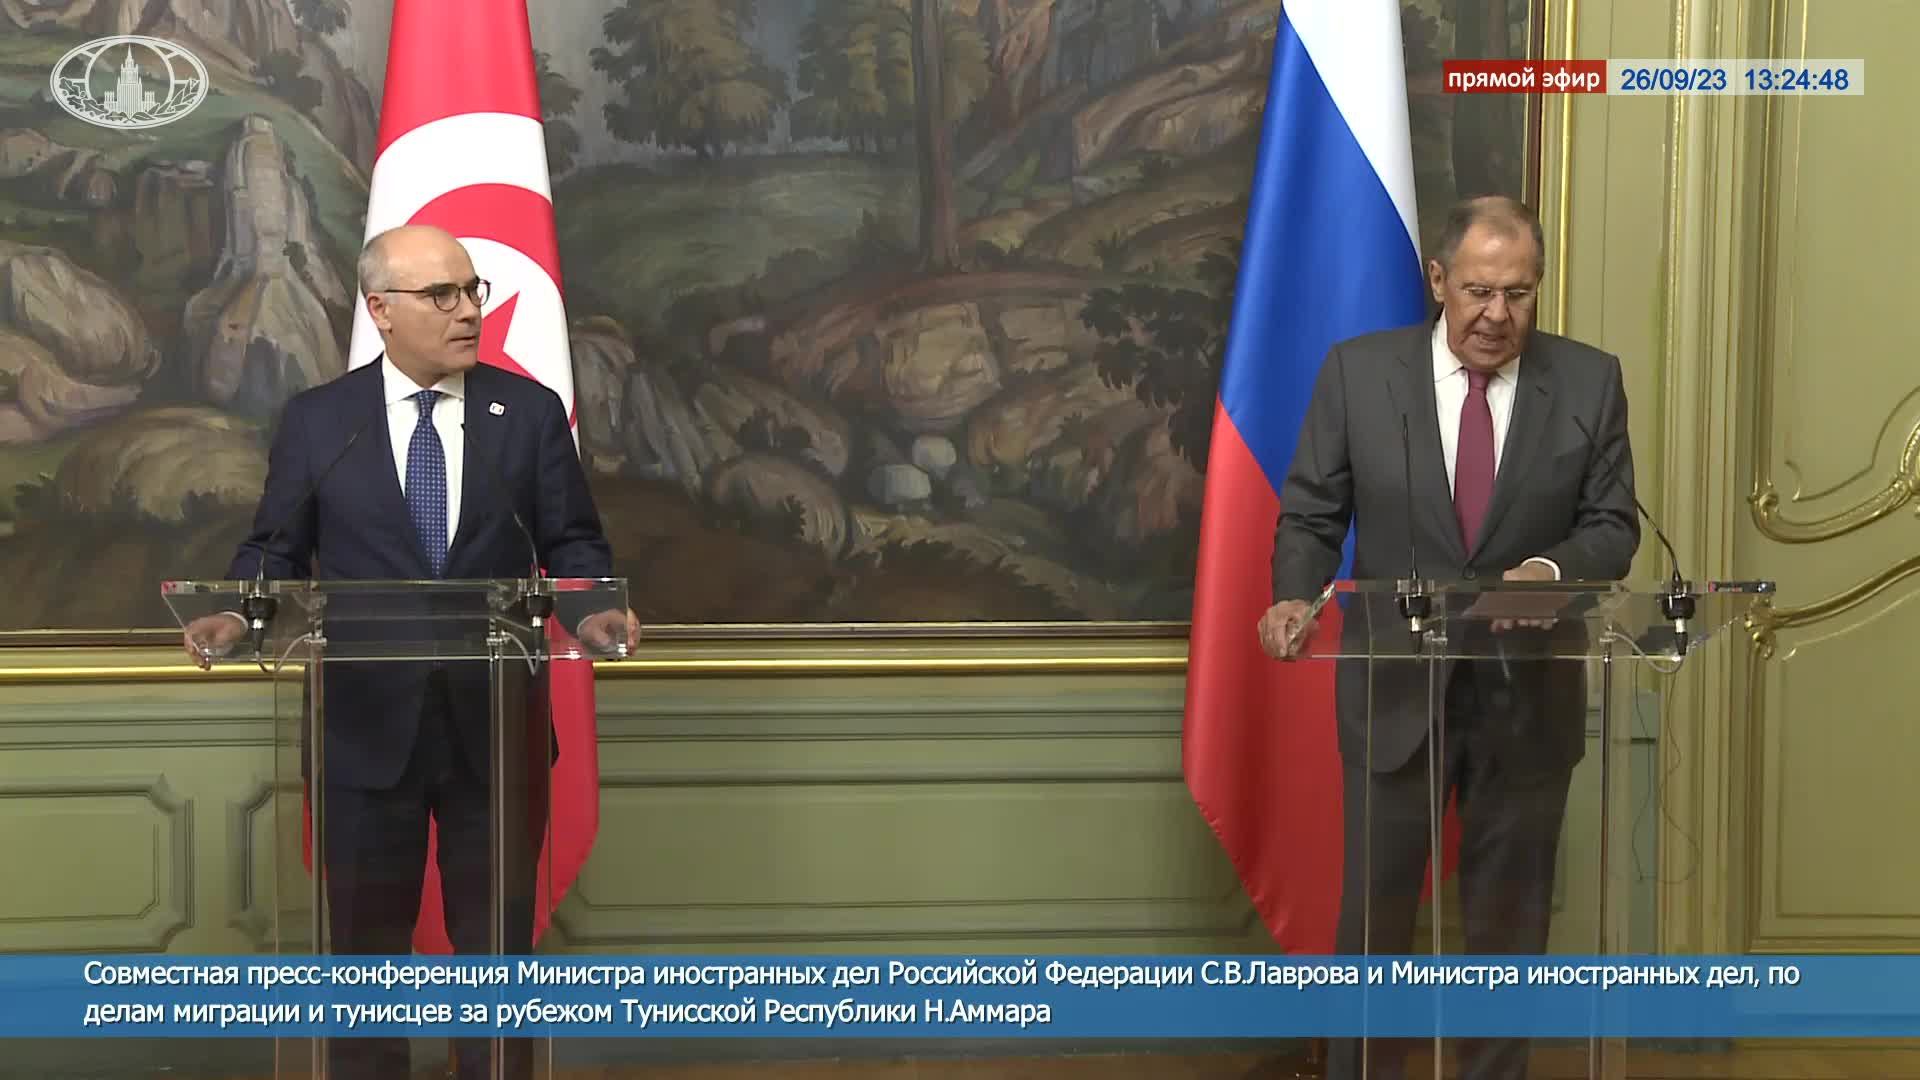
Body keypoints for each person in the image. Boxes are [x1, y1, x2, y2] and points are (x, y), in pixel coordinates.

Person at [181, 225, 639, 1080]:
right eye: (442, 295)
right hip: (362, 731)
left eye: (472, 291)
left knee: (497, 954)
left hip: (494, 727)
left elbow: (573, 544)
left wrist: (593, 614)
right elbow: (275, 549)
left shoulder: (527, 414)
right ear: (381, 309)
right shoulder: (322, 422)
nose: (467, 311)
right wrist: (240, 614)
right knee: (364, 954)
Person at [1256, 196, 1640, 1080]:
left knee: (1509, 924)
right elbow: (1311, 514)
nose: (1497, 314)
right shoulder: (1359, 374)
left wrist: (1547, 572)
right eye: (1478, 291)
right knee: (1376, 919)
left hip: (1528, 697)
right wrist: (1293, 597)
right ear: (1438, 280)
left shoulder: (1588, 382)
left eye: (1518, 293)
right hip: (1394, 690)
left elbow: (1612, 525)